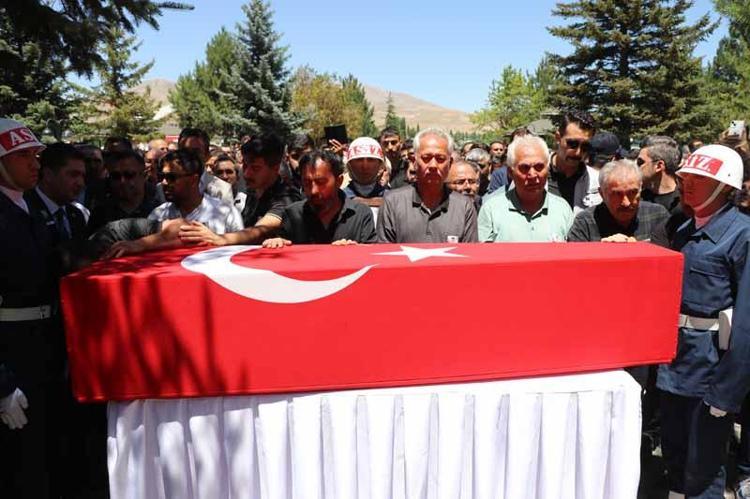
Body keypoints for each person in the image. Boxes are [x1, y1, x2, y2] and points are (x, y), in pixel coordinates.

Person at [654, 144, 750, 498]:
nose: (688, 184)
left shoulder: (742, 235)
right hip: (675, 367)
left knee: (704, 471)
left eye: (700, 178)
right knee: (675, 462)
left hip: (710, 373)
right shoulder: (683, 228)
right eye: (686, 177)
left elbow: (747, 326)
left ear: (725, 187)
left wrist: (727, 392)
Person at [0, 118, 60, 497]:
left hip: (41, 349)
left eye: (36, 155)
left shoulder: (30, 206)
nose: (35, 164)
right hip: (11, 354)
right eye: (23, 156)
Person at [177, 133, 302, 246]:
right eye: (245, 165)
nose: (247, 173)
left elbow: (260, 230)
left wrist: (219, 239)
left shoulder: (287, 196)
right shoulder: (252, 192)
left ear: (275, 168)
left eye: (255, 168)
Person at [377, 128, 478, 243]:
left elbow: (469, 253)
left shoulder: (464, 207)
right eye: (426, 158)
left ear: (450, 164)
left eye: (440, 159)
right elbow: (384, 251)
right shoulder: (393, 203)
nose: (433, 165)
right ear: (414, 162)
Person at [263, 150, 376, 247]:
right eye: (307, 183)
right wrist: (277, 244)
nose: (314, 190)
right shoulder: (292, 214)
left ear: (339, 181)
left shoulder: (360, 214)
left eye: (321, 182)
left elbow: (372, 255)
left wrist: (355, 250)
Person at [478, 135, 572, 242]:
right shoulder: (491, 210)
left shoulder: (563, 210)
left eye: (539, 167)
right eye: (525, 168)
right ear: (510, 172)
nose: (532, 175)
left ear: (547, 169)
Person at [567, 159, 669, 243]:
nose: (626, 203)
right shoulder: (585, 223)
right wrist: (601, 250)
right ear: (602, 194)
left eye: (632, 193)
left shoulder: (657, 216)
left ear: (641, 189)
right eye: (617, 194)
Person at [148, 149, 244, 235]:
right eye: (162, 176)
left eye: (171, 177)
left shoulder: (225, 213)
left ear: (193, 180)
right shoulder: (158, 215)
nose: (164, 182)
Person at [24, 143, 89, 243]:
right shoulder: (24, 211)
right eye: (73, 175)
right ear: (48, 175)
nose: (80, 183)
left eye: (83, 176)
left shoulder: (77, 215)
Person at [88, 149, 162, 232]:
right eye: (116, 176)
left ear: (144, 176)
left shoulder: (159, 210)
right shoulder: (100, 213)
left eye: (129, 175)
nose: (122, 181)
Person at [548, 109, 602, 213]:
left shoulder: (597, 182)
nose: (578, 152)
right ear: (558, 138)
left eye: (585, 146)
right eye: (572, 144)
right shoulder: (534, 174)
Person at [177, 127, 234, 205]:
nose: (190, 156)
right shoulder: (165, 187)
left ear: (207, 155)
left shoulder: (222, 189)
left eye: (196, 152)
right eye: (185, 151)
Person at [638, 135, 682, 212]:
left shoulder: (685, 201)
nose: (636, 167)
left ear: (659, 166)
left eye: (640, 162)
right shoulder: (638, 199)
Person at [343, 137, 388, 207]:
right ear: (349, 165)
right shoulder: (337, 199)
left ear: (380, 165)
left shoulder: (393, 198)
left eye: (371, 160)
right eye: (359, 160)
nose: (365, 166)